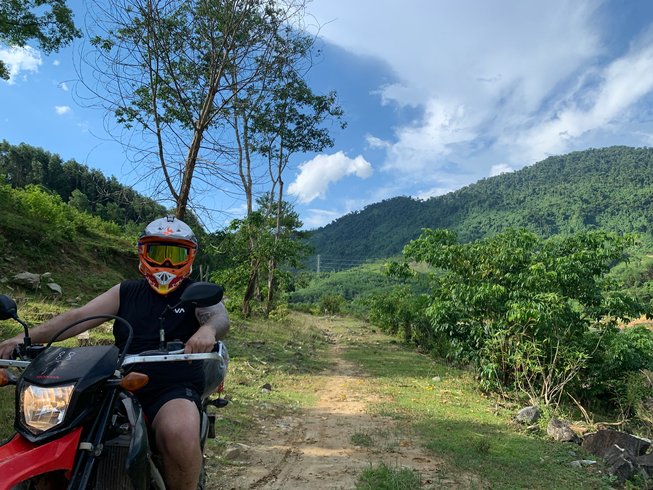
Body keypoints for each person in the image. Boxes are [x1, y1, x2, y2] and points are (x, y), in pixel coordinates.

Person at [0, 215, 229, 490]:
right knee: (58, 427)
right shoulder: (126, 291)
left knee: (178, 432)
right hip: (117, 382)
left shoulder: (195, 292)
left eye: (175, 254)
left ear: (189, 257)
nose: (166, 263)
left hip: (172, 386)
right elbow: (79, 316)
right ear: (143, 252)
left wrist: (207, 331)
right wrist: (18, 339)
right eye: (158, 252)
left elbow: (218, 317)